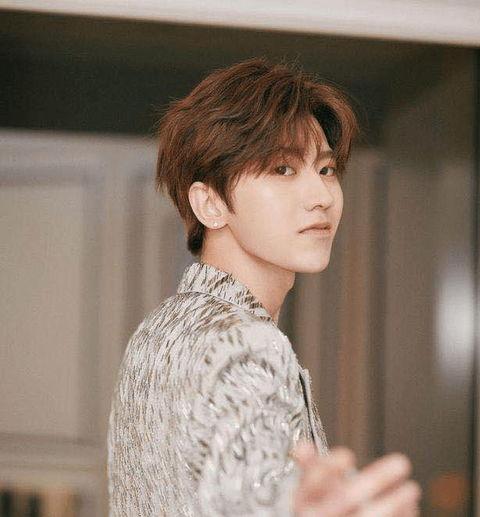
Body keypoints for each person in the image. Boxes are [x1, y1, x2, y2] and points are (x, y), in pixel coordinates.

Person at [107, 57, 422, 516]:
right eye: (282, 169)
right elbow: (254, 497)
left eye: (326, 169)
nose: (322, 197)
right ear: (210, 204)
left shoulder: (161, 328)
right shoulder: (247, 344)